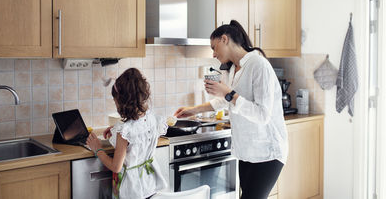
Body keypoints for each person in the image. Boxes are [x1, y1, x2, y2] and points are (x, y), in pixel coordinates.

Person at [174, 20, 288, 199]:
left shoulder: (259, 65)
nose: (213, 53)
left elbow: (262, 115)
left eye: (214, 47)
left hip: (268, 152)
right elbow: (226, 101)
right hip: (246, 150)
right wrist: (193, 110)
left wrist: (228, 93)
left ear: (224, 39)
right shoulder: (235, 68)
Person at [87, 68, 168, 199]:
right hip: (150, 184)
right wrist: (116, 129)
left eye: (115, 102)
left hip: (132, 190)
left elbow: (116, 167)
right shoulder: (154, 120)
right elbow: (141, 136)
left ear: (122, 103)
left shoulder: (125, 131)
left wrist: (98, 149)